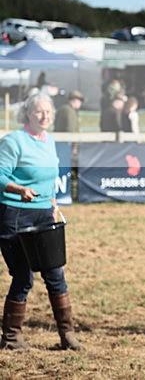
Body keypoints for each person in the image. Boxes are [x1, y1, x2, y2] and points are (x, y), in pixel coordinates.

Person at [0, 93, 83, 350]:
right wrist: (18, 189)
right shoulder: (14, 141)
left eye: (48, 111)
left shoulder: (50, 141)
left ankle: (67, 336)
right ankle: (12, 337)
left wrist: (54, 205)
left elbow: (48, 180)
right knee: (23, 276)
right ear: (27, 113)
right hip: (14, 214)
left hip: (44, 214)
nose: (45, 116)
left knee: (55, 274)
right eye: (39, 111)